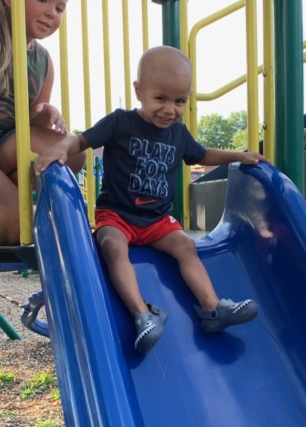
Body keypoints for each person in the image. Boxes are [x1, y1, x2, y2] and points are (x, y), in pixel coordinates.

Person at [35, 45, 272, 355]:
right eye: (160, 98)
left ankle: (212, 309)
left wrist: (238, 155)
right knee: (111, 246)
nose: (169, 109)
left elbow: (201, 155)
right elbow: (80, 139)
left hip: (158, 220)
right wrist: (61, 148)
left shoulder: (179, 133)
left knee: (185, 246)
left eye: (179, 101)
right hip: (117, 215)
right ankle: (143, 314)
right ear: (139, 91)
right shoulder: (120, 122)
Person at [0, 0, 85, 246]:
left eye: (59, 8)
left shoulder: (43, 61)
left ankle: (9, 189)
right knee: (17, 228)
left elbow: (30, 124)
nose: (51, 13)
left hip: (7, 144)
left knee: (75, 152)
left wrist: (45, 114)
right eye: (43, 0)